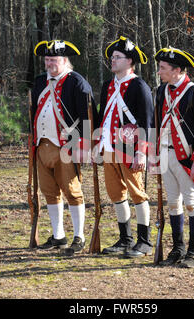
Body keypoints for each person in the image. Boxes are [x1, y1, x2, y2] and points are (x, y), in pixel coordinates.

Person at [30, 40, 93, 255]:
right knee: (49, 192)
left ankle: (79, 236)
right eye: (47, 60)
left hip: (68, 144)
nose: (49, 64)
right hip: (42, 145)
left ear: (65, 60)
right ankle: (58, 236)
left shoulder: (77, 82)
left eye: (54, 60)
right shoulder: (40, 82)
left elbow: (87, 116)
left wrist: (83, 145)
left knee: (72, 192)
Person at [154, 47, 194, 268]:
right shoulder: (161, 91)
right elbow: (155, 123)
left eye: (163, 68)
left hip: (186, 157)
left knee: (191, 202)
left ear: (177, 70)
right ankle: (178, 248)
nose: (159, 72)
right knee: (172, 203)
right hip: (164, 154)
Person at [94, 36, 154, 258]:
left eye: (118, 57)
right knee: (116, 194)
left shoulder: (139, 86)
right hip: (109, 147)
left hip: (131, 149)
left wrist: (141, 152)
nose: (113, 61)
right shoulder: (108, 86)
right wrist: (98, 145)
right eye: (112, 57)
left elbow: (147, 123)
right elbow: (104, 118)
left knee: (137, 193)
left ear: (130, 61)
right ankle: (125, 239)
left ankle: (144, 241)